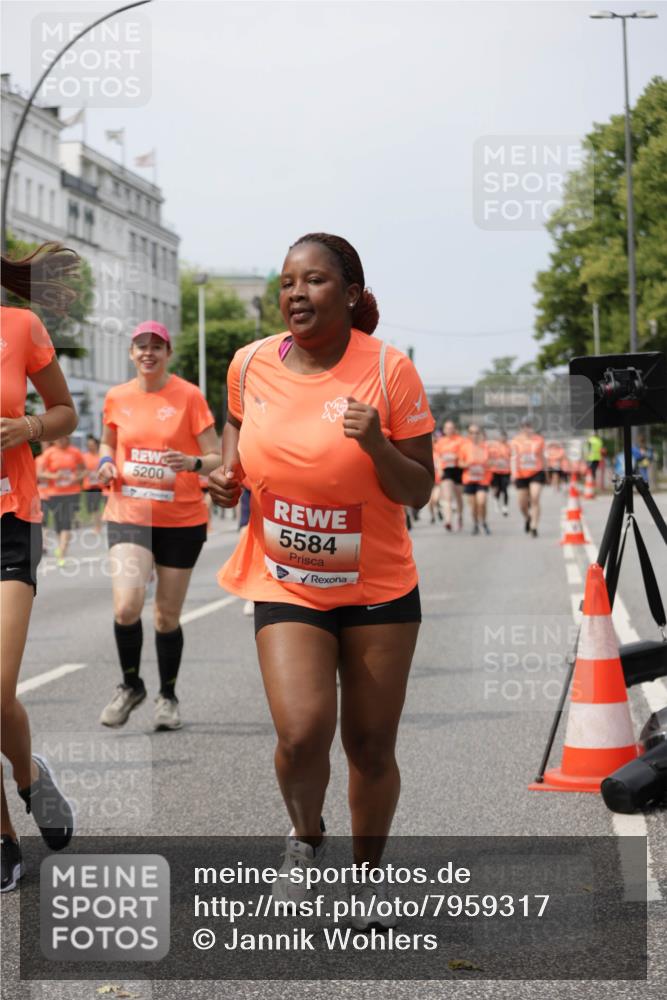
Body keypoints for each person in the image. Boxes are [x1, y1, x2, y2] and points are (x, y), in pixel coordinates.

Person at [209, 233, 434, 922]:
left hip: (377, 586)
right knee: (301, 732)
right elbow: (236, 430)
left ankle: (367, 878)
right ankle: (305, 838)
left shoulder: (389, 370)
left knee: (369, 746)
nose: (295, 294)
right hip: (287, 579)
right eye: (286, 282)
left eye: (313, 280)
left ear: (350, 293)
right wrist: (227, 474)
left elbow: (419, 490)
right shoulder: (249, 363)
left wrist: (376, 444)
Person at [96, 321, 220, 732]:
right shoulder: (116, 397)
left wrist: (192, 463)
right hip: (128, 514)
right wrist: (105, 463)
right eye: (141, 346)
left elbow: (217, 456)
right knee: (126, 606)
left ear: (168, 353)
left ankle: (168, 696)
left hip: (181, 518)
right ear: (131, 353)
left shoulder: (189, 396)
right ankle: (131, 685)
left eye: (156, 346)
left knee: (166, 616)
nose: (148, 353)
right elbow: (107, 442)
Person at [1, 242, 78, 892]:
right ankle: (4, 835)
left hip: (10, 522)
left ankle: (28, 776)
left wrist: (26, 427)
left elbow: (65, 414)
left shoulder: (20, 327)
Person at [41, 435, 85, 564]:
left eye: (64, 438)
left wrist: (76, 478)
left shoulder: (75, 452)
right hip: (54, 493)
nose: (61, 440)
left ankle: (61, 552)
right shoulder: (49, 453)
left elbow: (84, 471)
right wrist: (54, 476)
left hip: (72, 492)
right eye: (58, 438)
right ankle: (61, 546)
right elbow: (40, 473)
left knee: (67, 521)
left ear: (68, 438)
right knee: (59, 523)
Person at [511, 418, 545, 538]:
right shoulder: (515, 441)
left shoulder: (539, 440)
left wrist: (546, 472)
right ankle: (528, 518)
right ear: (521, 428)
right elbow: (513, 458)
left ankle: (534, 526)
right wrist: (513, 474)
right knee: (522, 504)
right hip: (521, 474)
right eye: (524, 426)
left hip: (536, 472)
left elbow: (542, 457)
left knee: (535, 497)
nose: (527, 429)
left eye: (529, 426)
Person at [459, 425, 492, 535]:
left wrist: (486, 464)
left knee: (481, 502)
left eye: (477, 433)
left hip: (483, 479)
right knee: (473, 506)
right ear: (468, 434)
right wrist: (467, 464)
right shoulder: (464, 447)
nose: (474, 435)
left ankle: (484, 522)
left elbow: (492, 462)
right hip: (469, 480)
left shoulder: (486, 447)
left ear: (480, 434)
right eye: (472, 433)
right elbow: (460, 463)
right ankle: (475, 524)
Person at [434, 419, 463, 532]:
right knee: (447, 497)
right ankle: (448, 520)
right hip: (446, 470)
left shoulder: (460, 441)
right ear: (444, 430)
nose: (449, 430)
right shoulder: (440, 442)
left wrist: (457, 457)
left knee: (458, 496)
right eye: (447, 428)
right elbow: (437, 457)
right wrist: (439, 469)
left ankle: (459, 517)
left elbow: (464, 454)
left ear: (454, 429)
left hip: (458, 470)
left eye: (451, 428)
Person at [82, 434, 104, 533]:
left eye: (92, 445)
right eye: (88, 445)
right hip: (88, 485)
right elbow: (81, 469)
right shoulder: (84, 456)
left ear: (97, 445)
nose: (90, 447)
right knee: (90, 507)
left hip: (99, 485)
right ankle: (96, 523)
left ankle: (97, 526)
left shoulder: (101, 455)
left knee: (96, 506)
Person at [487, 430, 511, 515]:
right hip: (495, 471)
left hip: (506, 471)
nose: (503, 439)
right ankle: (496, 500)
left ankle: (505, 507)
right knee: (497, 489)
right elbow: (489, 458)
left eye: (504, 437)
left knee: (505, 489)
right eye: (501, 437)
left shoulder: (509, 447)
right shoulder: (494, 447)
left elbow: (513, 458)